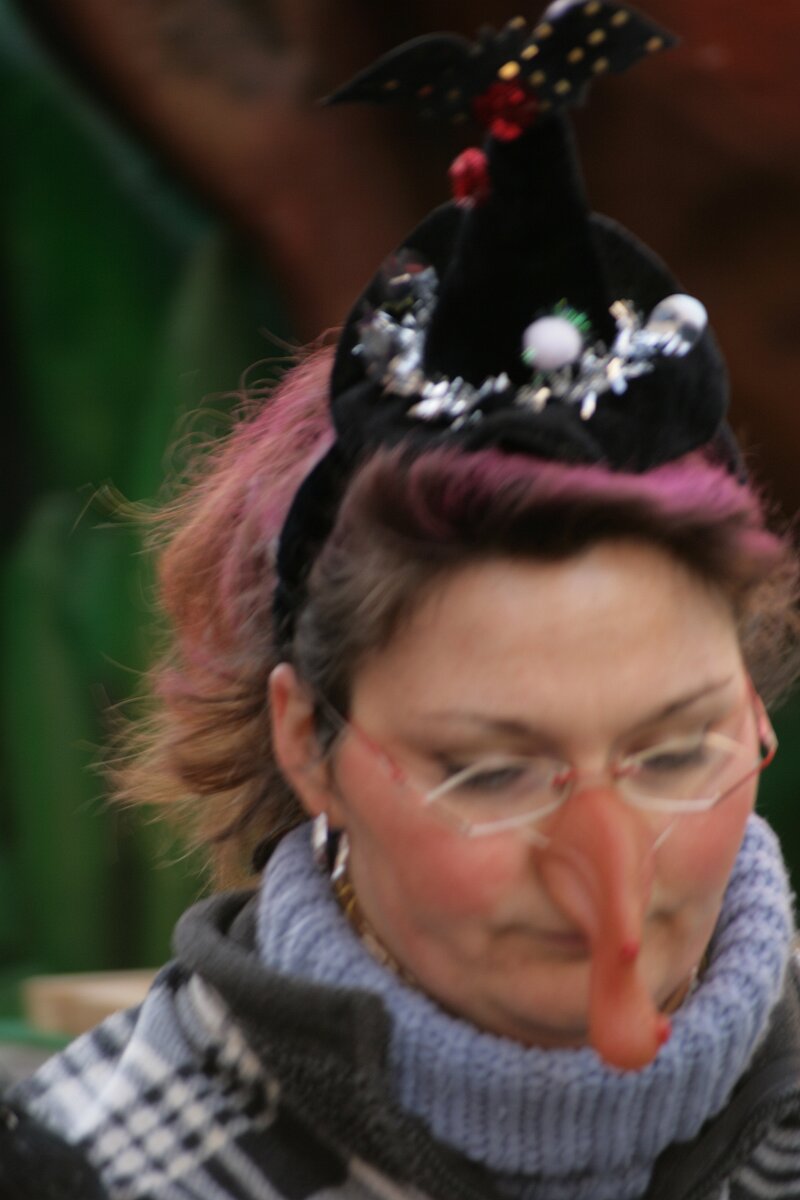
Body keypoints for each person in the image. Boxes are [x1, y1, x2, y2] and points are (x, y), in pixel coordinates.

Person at [7, 3, 800, 1198]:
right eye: (489, 772)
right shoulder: (91, 1173)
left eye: (673, 751)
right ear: (306, 746)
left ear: (752, 714)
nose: (610, 870)